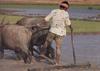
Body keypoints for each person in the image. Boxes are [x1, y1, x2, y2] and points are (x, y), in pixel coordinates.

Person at [40, 0, 73, 65]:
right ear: (66, 8)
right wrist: (71, 28)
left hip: (52, 31)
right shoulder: (66, 14)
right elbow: (68, 23)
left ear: (60, 6)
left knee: (46, 43)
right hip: (60, 33)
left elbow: (46, 19)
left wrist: (40, 24)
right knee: (58, 47)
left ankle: (42, 54)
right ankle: (57, 63)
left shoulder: (54, 11)